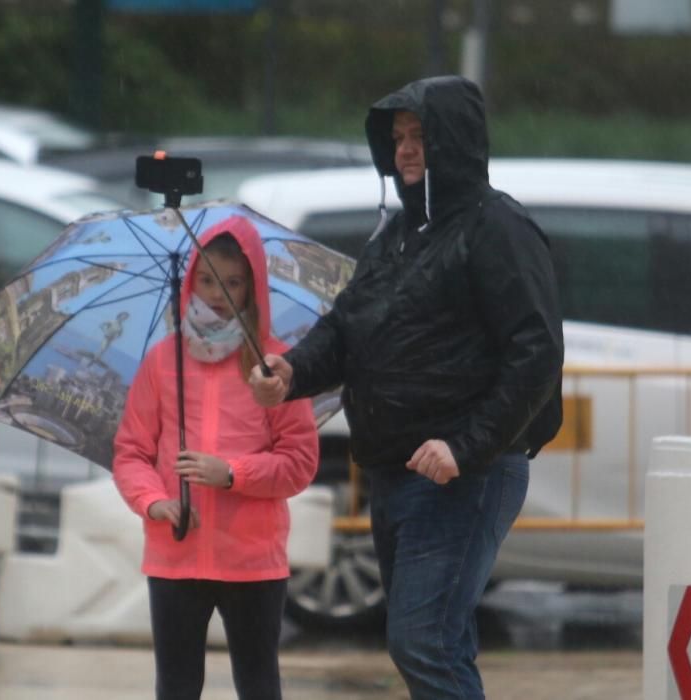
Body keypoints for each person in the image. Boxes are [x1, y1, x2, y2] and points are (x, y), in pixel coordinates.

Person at [249, 75, 564, 699]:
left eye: (421, 136)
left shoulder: (496, 228)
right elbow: (347, 327)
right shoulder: (396, 235)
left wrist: (465, 446)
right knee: (428, 641)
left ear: (457, 140)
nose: (406, 151)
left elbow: (536, 351)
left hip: (463, 473)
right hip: (397, 469)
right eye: (397, 138)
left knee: (424, 641)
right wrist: (292, 373)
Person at [113, 215, 319, 700]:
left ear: (252, 289)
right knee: (177, 687)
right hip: (174, 552)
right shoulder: (163, 360)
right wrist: (153, 501)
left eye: (231, 283)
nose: (216, 294)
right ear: (190, 281)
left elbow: (299, 461)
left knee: (259, 684)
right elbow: (131, 451)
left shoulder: (273, 364)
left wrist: (233, 474)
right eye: (206, 280)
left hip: (252, 559)